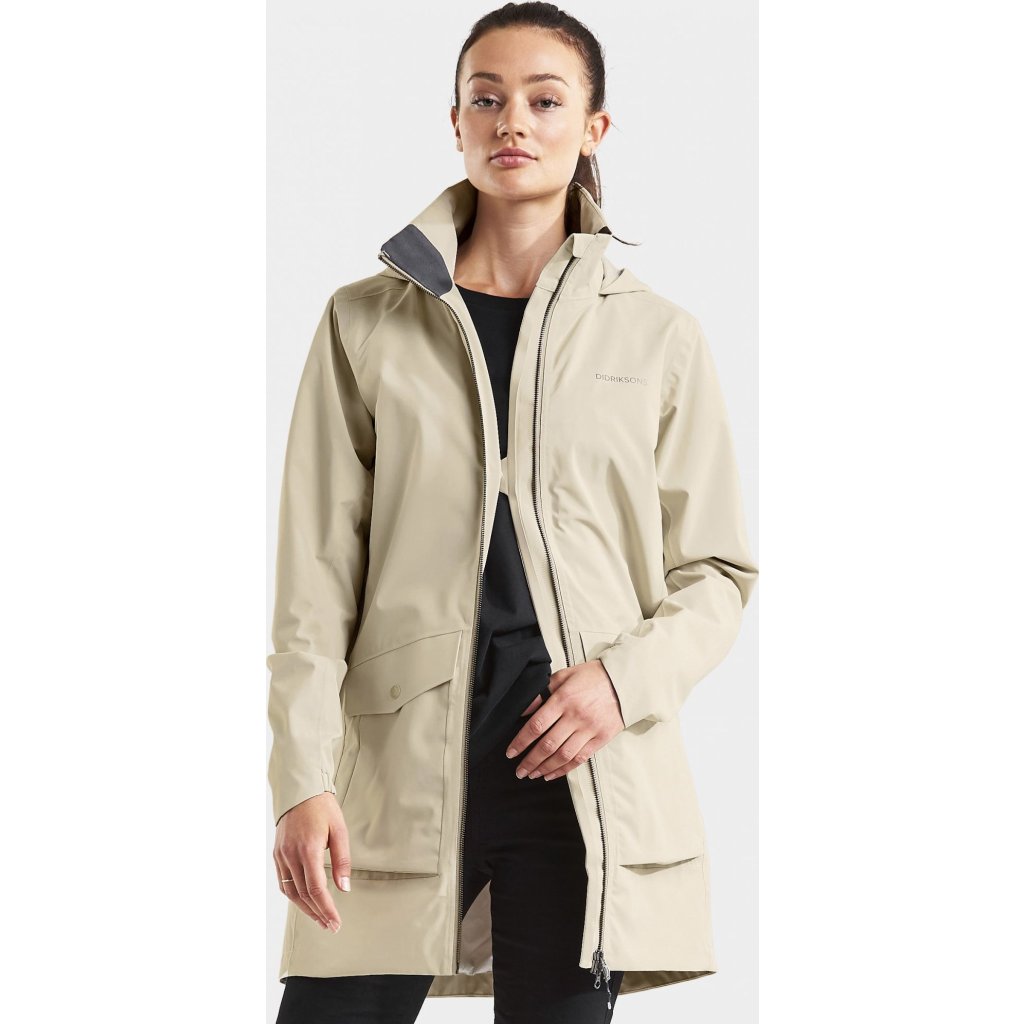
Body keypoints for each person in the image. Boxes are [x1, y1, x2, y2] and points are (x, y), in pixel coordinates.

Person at [268, 4, 758, 1022]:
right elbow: (313, 584)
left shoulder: (659, 337)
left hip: (583, 775)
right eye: (486, 99)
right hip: (397, 771)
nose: (513, 123)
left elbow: (716, 574)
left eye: (544, 100)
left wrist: (621, 683)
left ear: (594, 127)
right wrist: (300, 779)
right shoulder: (364, 324)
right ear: (455, 121)